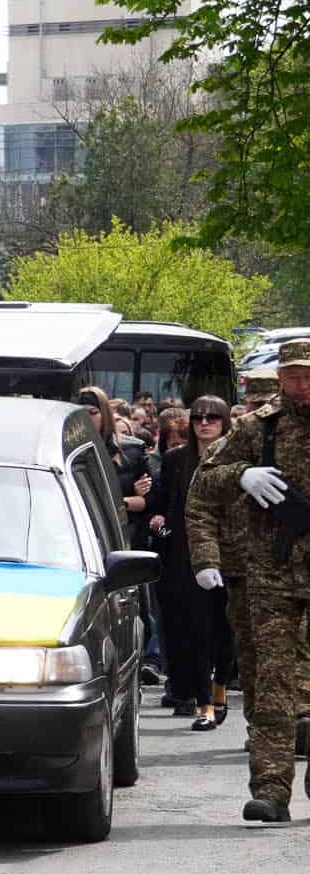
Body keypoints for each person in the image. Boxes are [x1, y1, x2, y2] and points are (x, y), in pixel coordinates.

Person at [189, 341, 310, 822]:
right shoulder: (255, 427)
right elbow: (203, 483)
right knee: (271, 687)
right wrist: (243, 475)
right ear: (280, 377)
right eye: (294, 376)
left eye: (308, 376)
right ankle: (272, 791)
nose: (302, 385)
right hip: (270, 575)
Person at [147, 401, 220, 727]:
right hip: (180, 552)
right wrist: (157, 517)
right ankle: (194, 695)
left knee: (222, 633)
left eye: (213, 417)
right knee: (186, 626)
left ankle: (215, 693)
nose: (204, 423)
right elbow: (160, 504)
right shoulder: (176, 459)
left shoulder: (237, 457)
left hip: (228, 551)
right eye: (199, 418)